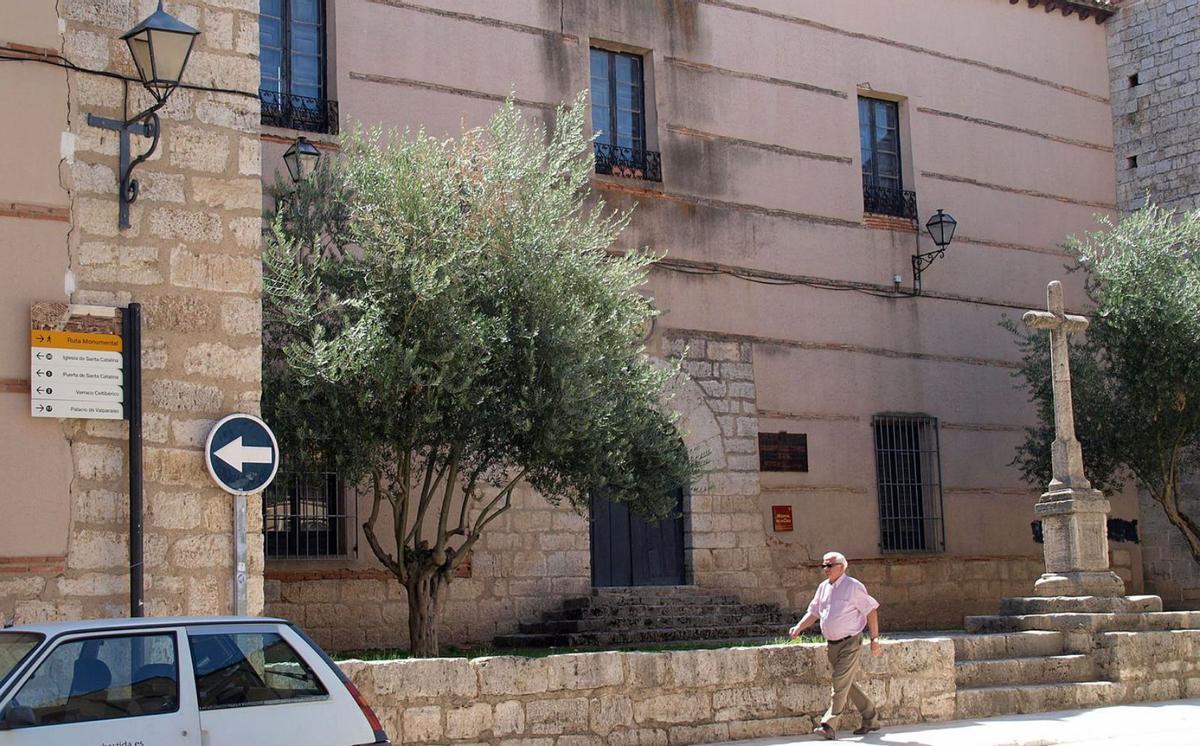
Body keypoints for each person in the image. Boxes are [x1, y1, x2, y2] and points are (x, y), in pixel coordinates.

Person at [788, 551, 882, 740]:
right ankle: (871, 717)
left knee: (839, 681)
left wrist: (875, 639)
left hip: (850, 642)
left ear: (842, 566)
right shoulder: (823, 588)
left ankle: (829, 724)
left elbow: (871, 611)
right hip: (832, 645)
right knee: (846, 684)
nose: (825, 569)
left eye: (829, 565)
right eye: (823, 565)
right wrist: (798, 627)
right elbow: (813, 612)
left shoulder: (853, 586)